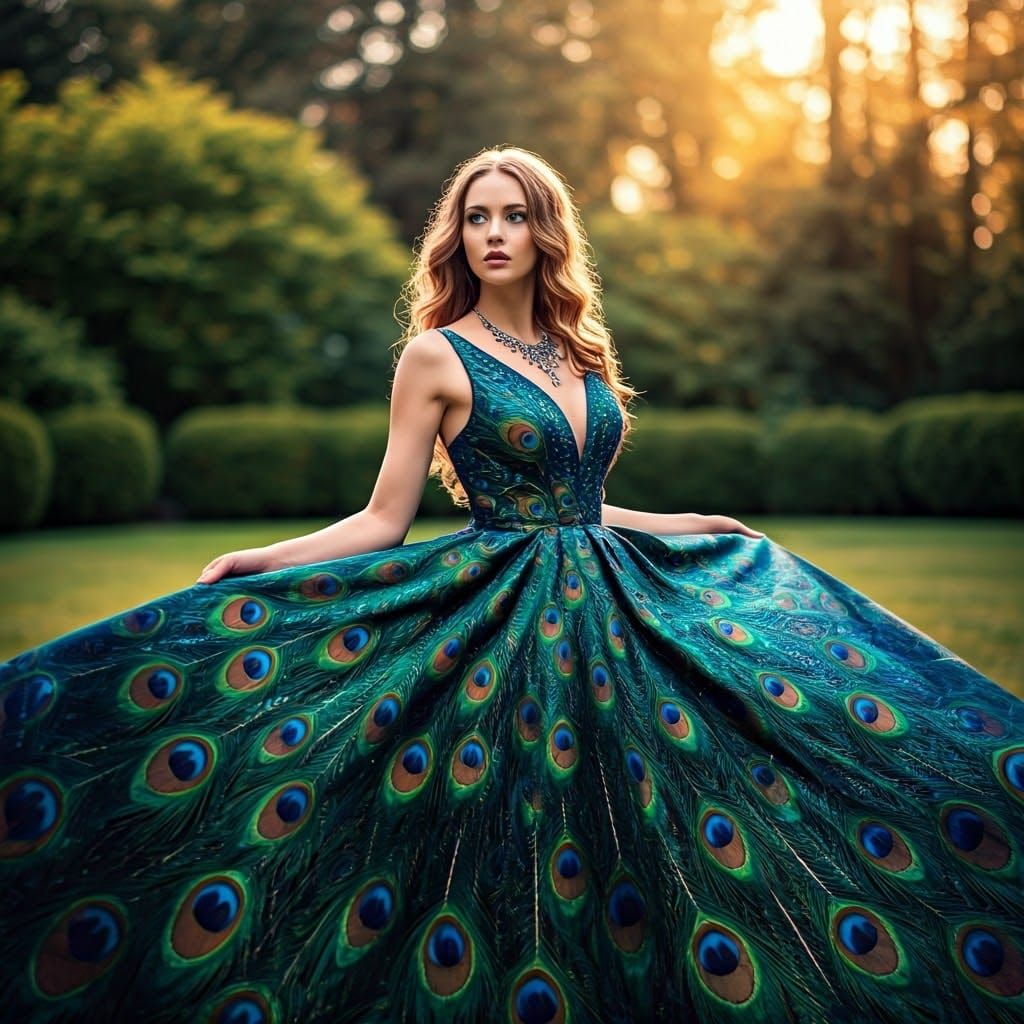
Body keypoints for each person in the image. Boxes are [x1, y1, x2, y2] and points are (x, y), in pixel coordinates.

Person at [1, 146, 1021, 1024]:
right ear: (456, 237)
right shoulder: (434, 356)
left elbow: (586, 503)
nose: (494, 233)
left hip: (616, 615)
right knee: (514, 827)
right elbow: (383, 519)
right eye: (477, 216)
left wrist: (690, 523)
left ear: (545, 233)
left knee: (659, 811)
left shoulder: (579, 352)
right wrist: (264, 559)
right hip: (507, 619)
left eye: (515, 215)